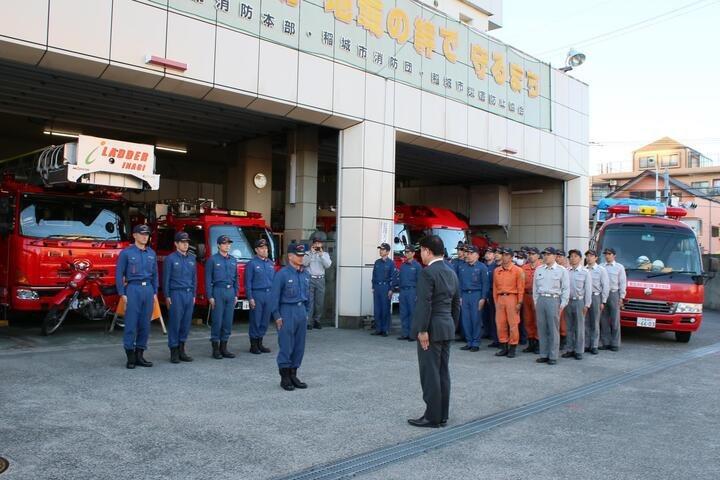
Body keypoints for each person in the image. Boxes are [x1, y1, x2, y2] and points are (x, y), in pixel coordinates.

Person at [408, 235, 460, 428]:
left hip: (431, 328)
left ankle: (431, 416)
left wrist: (422, 329)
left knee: (430, 373)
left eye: (421, 250)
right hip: (446, 326)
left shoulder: (427, 273)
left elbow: (424, 304)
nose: (420, 254)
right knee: (442, 372)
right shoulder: (451, 271)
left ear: (428, 251)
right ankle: (442, 414)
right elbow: (456, 304)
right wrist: (451, 325)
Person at [116, 224, 158, 369]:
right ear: (134, 235)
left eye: (147, 234)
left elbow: (155, 274)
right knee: (131, 324)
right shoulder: (126, 253)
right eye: (142, 234)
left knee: (145, 325)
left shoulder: (152, 253)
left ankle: (140, 354)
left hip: (148, 290)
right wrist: (122, 293)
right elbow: (119, 274)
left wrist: (154, 292)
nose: (145, 236)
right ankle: (130, 356)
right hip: (133, 289)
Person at [270, 243, 311, 391]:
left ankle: (294, 374)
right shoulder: (282, 274)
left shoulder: (305, 274)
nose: (301, 258)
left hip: (300, 311)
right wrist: (277, 316)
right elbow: (274, 297)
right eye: (298, 255)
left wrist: (306, 312)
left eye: (302, 255)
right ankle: (285, 377)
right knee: (286, 345)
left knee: (299, 346)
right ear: (290, 256)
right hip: (287, 311)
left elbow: (308, 296)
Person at [163, 231, 197, 364]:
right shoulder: (170, 259)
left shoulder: (191, 258)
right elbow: (166, 279)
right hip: (176, 294)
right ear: (176, 244)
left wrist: (194, 294)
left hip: (189, 294)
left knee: (186, 323)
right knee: (175, 323)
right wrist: (167, 296)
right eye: (182, 242)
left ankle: (182, 350)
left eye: (187, 242)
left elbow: (194, 279)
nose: (185, 244)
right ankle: (174, 351)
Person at [533, 247, 569, 365]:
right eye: (544, 254)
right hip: (541, 299)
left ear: (554, 256)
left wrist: (563, 304)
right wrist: (536, 301)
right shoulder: (539, 269)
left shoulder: (561, 270)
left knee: (553, 329)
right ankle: (544, 354)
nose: (546, 256)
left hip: (554, 299)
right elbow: (535, 288)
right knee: (542, 328)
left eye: (548, 254)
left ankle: (553, 356)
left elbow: (565, 288)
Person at [205, 234, 238, 359]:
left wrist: (236, 293)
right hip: (218, 291)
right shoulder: (212, 260)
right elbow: (208, 280)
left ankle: (224, 347)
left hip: (230, 292)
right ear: (218, 245)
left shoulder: (233, 260)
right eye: (224, 243)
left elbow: (236, 279)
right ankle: (215, 349)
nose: (227, 245)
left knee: (228, 321)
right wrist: (210, 296)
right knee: (217, 321)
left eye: (229, 243)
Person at [493, 247, 524, 358]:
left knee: (513, 324)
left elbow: (521, 288)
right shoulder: (497, 270)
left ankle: (513, 347)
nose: (504, 257)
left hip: (512, 298)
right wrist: (496, 302)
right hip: (500, 298)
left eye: (506, 255)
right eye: (503, 254)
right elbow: (495, 288)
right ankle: (503, 347)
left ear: (511, 257)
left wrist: (519, 302)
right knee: (500, 324)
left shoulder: (518, 270)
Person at [245, 238, 275, 354]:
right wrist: (250, 297)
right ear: (256, 250)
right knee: (255, 320)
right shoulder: (252, 264)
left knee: (265, 320)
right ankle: (253, 345)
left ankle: (260, 343)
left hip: (269, 294)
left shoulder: (270, 263)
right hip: (257, 294)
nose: (264, 250)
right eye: (262, 248)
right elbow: (248, 282)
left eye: (266, 248)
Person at [562, 250, 592, 360]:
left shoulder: (585, 272)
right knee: (569, 327)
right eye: (571, 256)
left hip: (579, 302)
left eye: (575, 256)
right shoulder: (566, 271)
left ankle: (579, 351)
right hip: (568, 301)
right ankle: (570, 349)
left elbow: (588, 290)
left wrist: (587, 305)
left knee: (579, 327)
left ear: (580, 258)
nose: (572, 258)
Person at [457, 245, 488, 352]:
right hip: (465, 295)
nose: (468, 256)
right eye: (468, 253)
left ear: (477, 255)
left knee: (476, 319)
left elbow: (485, 284)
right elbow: (459, 283)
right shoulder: (462, 267)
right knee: (466, 320)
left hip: (476, 295)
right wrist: (460, 296)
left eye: (471, 253)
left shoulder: (482, 267)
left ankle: (475, 342)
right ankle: (469, 341)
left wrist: (483, 298)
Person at [303, 234, 332, 330]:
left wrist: (321, 255)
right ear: (313, 244)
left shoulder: (325, 254)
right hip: (310, 278)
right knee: (310, 301)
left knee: (319, 301)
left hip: (320, 279)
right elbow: (304, 263)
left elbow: (328, 265)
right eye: (315, 243)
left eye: (319, 243)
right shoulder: (307, 253)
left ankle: (317, 320)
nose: (317, 245)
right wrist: (311, 254)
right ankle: (308, 321)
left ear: (321, 244)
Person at [600, 247, 626, 351]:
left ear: (614, 255)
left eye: (609, 254)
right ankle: (605, 342)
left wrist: (621, 297)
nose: (607, 256)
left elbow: (623, 283)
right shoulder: (601, 267)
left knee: (615, 319)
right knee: (603, 319)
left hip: (614, 293)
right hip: (602, 294)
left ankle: (615, 343)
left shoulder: (619, 267)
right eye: (606, 254)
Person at [584, 249, 609, 355]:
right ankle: (586, 344)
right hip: (585, 297)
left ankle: (594, 345)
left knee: (595, 322)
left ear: (596, 258)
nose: (589, 258)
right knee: (585, 322)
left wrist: (603, 301)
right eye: (587, 256)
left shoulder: (601, 270)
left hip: (595, 296)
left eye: (591, 256)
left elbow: (605, 286)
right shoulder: (584, 269)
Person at [394, 245, 420, 341]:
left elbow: (420, 281)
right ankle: (405, 333)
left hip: (412, 291)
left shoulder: (417, 266)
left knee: (412, 313)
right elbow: (400, 279)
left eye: (408, 252)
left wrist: (418, 294)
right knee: (403, 313)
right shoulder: (403, 265)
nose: (406, 254)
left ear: (413, 253)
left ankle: (412, 335)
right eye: (405, 252)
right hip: (403, 291)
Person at [371, 242, 396, 337]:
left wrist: (391, 289)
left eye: (382, 250)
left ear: (387, 251)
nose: (380, 251)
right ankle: (378, 329)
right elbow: (374, 275)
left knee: (385, 308)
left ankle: (385, 329)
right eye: (380, 249)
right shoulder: (377, 262)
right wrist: (373, 286)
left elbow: (393, 277)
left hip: (386, 288)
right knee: (377, 309)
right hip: (377, 287)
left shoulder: (391, 263)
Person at [521, 247, 541, 354]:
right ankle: (531, 343)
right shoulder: (524, 268)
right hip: (526, 295)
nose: (531, 256)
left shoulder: (542, 267)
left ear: (538, 256)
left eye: (533, 254)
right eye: (529, 254)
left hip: (537, 296)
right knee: (528, 320)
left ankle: (538, 343)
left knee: (537, 320)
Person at [482, 247, 500, 347]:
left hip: (494, 293)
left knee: (495, 317)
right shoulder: (483, 266)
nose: (487, 254)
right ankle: (489, 333)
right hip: (485, 293)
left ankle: (497, 338)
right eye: (486, 252)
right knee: (485, 315)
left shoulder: (496, 267)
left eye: (490, 253)